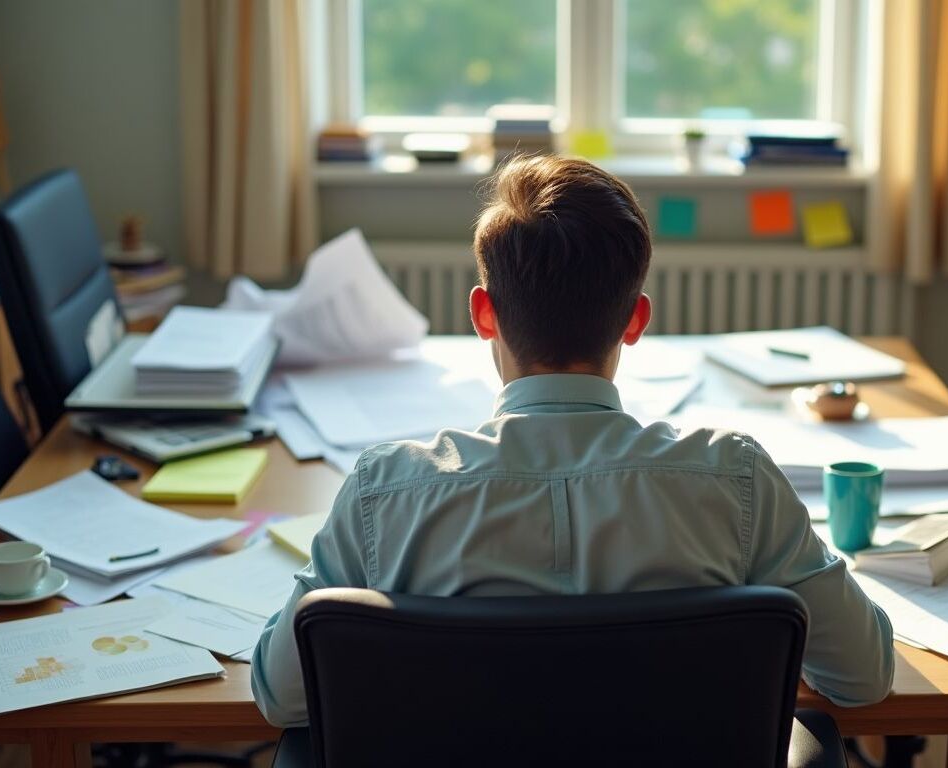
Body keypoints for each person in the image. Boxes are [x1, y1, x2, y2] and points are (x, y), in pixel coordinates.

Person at [251, 155, 894, 726]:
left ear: (483, 313)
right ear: (636, 319)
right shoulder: (736, 480)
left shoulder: (384, 492)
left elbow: (281, 698)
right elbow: (863, 678)